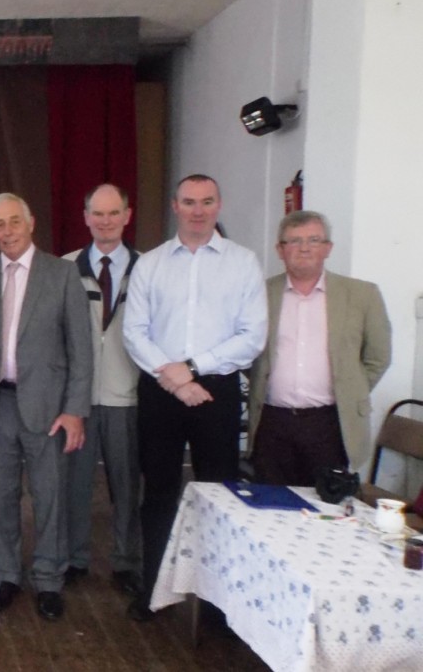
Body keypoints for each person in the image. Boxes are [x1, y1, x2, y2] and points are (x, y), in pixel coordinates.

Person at [122, 174, 266, 621]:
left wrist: (195, 368)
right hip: (162, 388)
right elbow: (134, 333)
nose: (198, 210)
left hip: (216, 391)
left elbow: (252, 336)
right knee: (160, 491)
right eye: (189, 202)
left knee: (219, 496)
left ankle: (218, 607)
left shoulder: (243, 262)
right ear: (175, 206)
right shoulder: (152, 263)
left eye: (207, 202)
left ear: (219, 205)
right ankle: (154, 591)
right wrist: (176, 378)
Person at [0, 193, 93, 622]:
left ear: (31, 222)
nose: (7, 231)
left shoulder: (61, 275)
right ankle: (5, 575)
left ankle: (49, 580)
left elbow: (82, 348)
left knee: (49, 496)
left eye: (14, 221)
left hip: (49, 408)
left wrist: (75, 409)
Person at [248, 210, 391, 486]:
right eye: (294, 241)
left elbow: (378, 357)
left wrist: (350, 389)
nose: (304, 248)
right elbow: (247, 354)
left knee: (328, 508)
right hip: (272, 421)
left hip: (329, 423)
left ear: (328, 248)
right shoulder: (259, 293)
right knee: (271, 506)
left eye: (314, 240)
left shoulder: (363, 295)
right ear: (280, 249)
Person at [60, 184, 143, 596]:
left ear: (127, 215)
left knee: (127, 484)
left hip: (129, 396)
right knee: (73, 485)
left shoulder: (149, 268)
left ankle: (127, 561)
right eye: (98, 213)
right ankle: (75, 558)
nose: (106, 221)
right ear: (86, 216)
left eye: (114, 213)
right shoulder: (64, 268)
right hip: (78, 399)